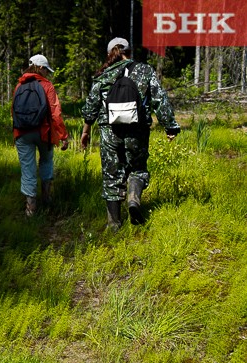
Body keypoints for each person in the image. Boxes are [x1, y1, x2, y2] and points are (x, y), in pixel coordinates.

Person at [81, 37, 180, 231]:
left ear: (111, 53)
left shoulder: (104, 75)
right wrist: (170, 127)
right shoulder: (145, 70)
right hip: (138, 129)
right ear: (130, 51)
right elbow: (160, 100)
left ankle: (114, 224)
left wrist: (86, 130)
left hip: (110, 131)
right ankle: (133, 200)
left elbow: (91, 105)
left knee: (111, 175)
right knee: (138, 169)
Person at [13, 54, 69, 217]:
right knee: (46, 162)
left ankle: (31, 209)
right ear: (40, 68)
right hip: (43, 132)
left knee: (27, 169)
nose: (47, 73)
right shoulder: (47, 86)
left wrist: (16, 133)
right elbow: (55, 113)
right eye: (46, 70)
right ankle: (47, 200)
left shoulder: (19, 85)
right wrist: (63, 136)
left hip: (22, 132)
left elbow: (13, 110)